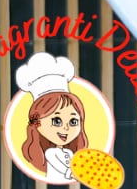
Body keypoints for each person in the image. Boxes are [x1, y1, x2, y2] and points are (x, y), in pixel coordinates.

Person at [15, 53, 90, 183]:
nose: (66, 128)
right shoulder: (50, 153)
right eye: (57, 121)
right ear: (37, 123)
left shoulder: (70, 153)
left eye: (73, 121)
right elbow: (63, 168)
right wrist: (74, 173)